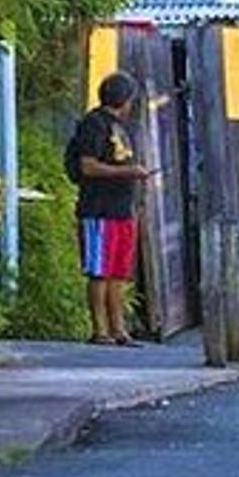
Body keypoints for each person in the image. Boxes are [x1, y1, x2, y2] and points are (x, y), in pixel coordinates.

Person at [69, 71, 153, 346]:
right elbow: (87, 165)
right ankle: (100, 330)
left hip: (121, 208)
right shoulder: (94, 124)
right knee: (99, 270)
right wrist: (129, 171)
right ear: (124, 99)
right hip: (99, 208)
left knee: (118, 271)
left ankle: (119, 329)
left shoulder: (120, 127)